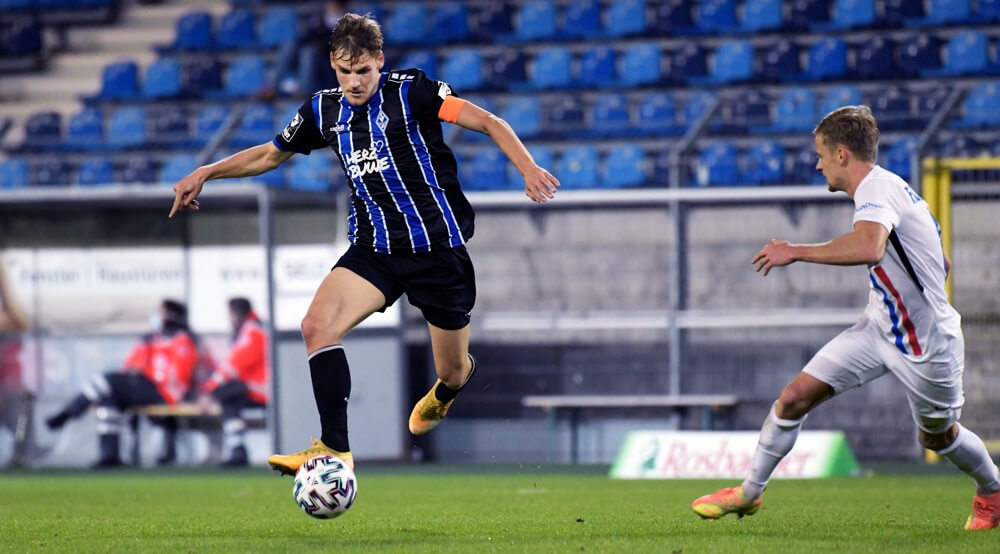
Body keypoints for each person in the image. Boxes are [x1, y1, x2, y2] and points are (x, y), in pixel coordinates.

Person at [168, 12, 560, 474]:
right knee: (317, 326)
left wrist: (528, 168)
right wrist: (206, 171)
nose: (354, 82)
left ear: (380, 60)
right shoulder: (322, 110)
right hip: (373, 249)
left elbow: (489, 121)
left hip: (436, 250)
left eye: (363, 71)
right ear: (332, 65)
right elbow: (270, 155)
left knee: (450, 369)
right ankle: (334, 448)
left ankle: (452, 385)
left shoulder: (413, 92)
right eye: (343, 71)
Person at [690, 106, 1000, 531]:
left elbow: (870, 248)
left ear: (841, 154)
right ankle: (749, 493)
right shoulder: (893, 187)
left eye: (820, 155)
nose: (817, 165)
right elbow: (939, 261)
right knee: (795, 397)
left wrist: (796, 250)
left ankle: (991, 489)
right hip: (878, 327)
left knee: (937, 437)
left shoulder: (875, 189)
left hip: (925, 343)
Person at [46, 299, 199, 467]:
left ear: (171, 315)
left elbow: (179, 376)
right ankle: (109, 457)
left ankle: (67, 413)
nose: (157, 317)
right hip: (141, 386)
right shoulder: (150, 340)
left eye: (161, 313)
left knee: (107, 380)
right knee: (108, 403)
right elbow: (131, 365)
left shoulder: (182, 341)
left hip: (160, 392)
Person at [199, 297, 269, 467]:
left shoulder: (252, 332)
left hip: (262, 390)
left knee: (226, 395)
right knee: (228, 396)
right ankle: (237, 449)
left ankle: (238, 451)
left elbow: (233, 365)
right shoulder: (253, 329)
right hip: (258, 389)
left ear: (236, 314)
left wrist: (209, 391)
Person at [0, 261, 33, 467]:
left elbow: (20, 322)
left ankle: (18, 455)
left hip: (9, 380)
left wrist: (4, 281)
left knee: (21, 408)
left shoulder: (9, 317)